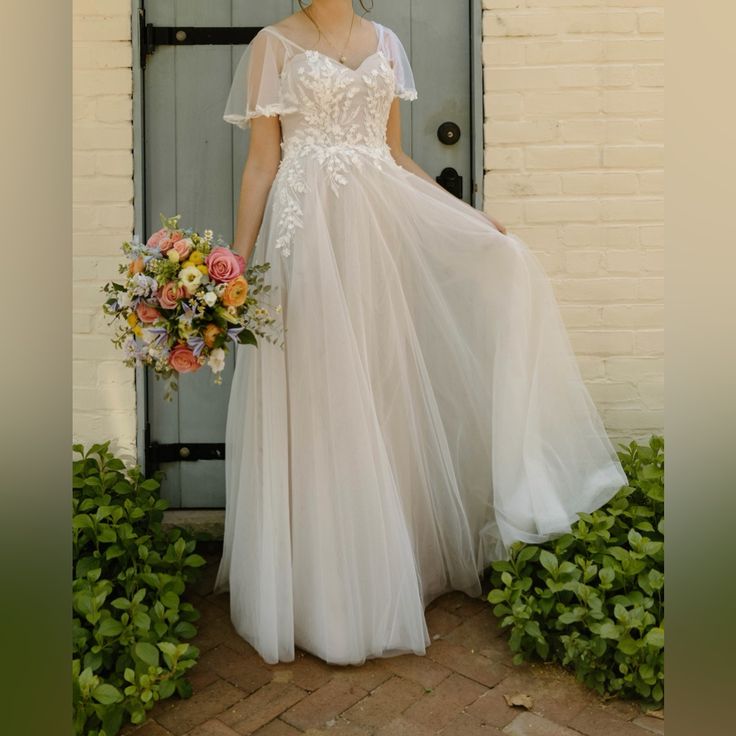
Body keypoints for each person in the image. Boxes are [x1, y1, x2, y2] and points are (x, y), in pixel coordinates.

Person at [213, 0, 628, 666]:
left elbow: (395, 153)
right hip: (306, 237)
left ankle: (379, 571)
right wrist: (235, 256)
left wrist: (462, 215)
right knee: (319, 395)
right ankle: (321, 591)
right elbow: (263, 162)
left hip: (376, 238)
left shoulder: (387, 41)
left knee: (378, 390)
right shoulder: (274, 46)